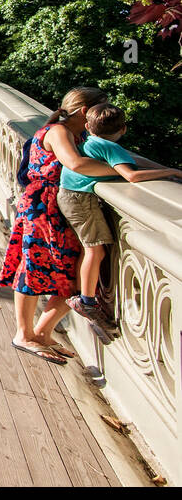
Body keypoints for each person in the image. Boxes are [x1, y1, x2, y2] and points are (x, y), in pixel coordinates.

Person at [0, 86, 121, 364]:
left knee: (71, 275)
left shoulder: (76, 134)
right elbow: (75, 164)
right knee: (33, 268)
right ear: (84, 111)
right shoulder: (58, 132)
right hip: (43, 207)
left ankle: (42, 333)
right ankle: (24, 334)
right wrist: (125, 171)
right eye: (100, 108)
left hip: (59, 207)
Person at [57, 103, 182, 342]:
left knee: (92, 249)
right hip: (80, 201)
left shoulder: (92, 141)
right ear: (123, 129)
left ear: (87, 126)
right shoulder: (110, 147)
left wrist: (165, 169)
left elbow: (133, 160)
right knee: (95, 251)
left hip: (70, 196)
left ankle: (85, 296)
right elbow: (131, 174)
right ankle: (87, 301)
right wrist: (171, 173)